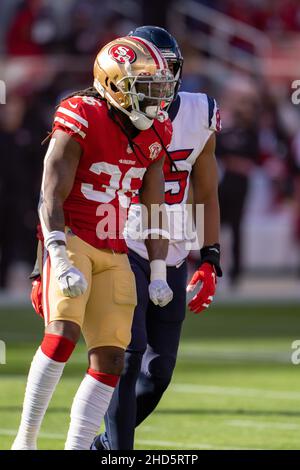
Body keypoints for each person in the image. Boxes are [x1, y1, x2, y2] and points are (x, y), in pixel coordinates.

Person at [12, 35, 176, 450]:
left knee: (111, 360)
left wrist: (158, 270)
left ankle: (77, 448)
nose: (156, 98)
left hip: (116, 249)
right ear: (113, 84)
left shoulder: (158, 130)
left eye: (159, 87)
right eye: (145, 87)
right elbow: (51, 193)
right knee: (63, 334)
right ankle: (25, 440)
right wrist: (55, 256)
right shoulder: (80, 112)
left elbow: (155, 205)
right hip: (73, 238)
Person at [92, 26, 222, 451]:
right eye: (150, 71)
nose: (160, 80)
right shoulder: (112, 111)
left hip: (175, 246)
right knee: (127, 360)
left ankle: (103, 449)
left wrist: (210, 256)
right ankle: (118, 454)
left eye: (166, 70)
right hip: (123, 241)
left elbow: (205, 189)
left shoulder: (200, 112)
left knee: (159, 372)